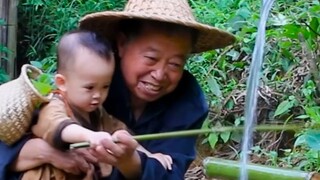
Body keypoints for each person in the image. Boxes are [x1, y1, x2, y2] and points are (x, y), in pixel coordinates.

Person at [0, 0, 235, 179]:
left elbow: (170, 172)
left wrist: (132, 161)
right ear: (121, 45)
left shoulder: (187, 99)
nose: (160, 74)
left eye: (175, 64)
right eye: (151, 58)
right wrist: (45, 152)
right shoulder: (90, 75)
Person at [26, 30, 173, 179]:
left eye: (105, 86)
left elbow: (123, 136)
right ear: (62, 83)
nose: (98, 95)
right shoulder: (54, 105)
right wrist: (90, 136)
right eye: (89, 87)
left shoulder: (98, 113)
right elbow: (60, 126)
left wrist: (150, 156)